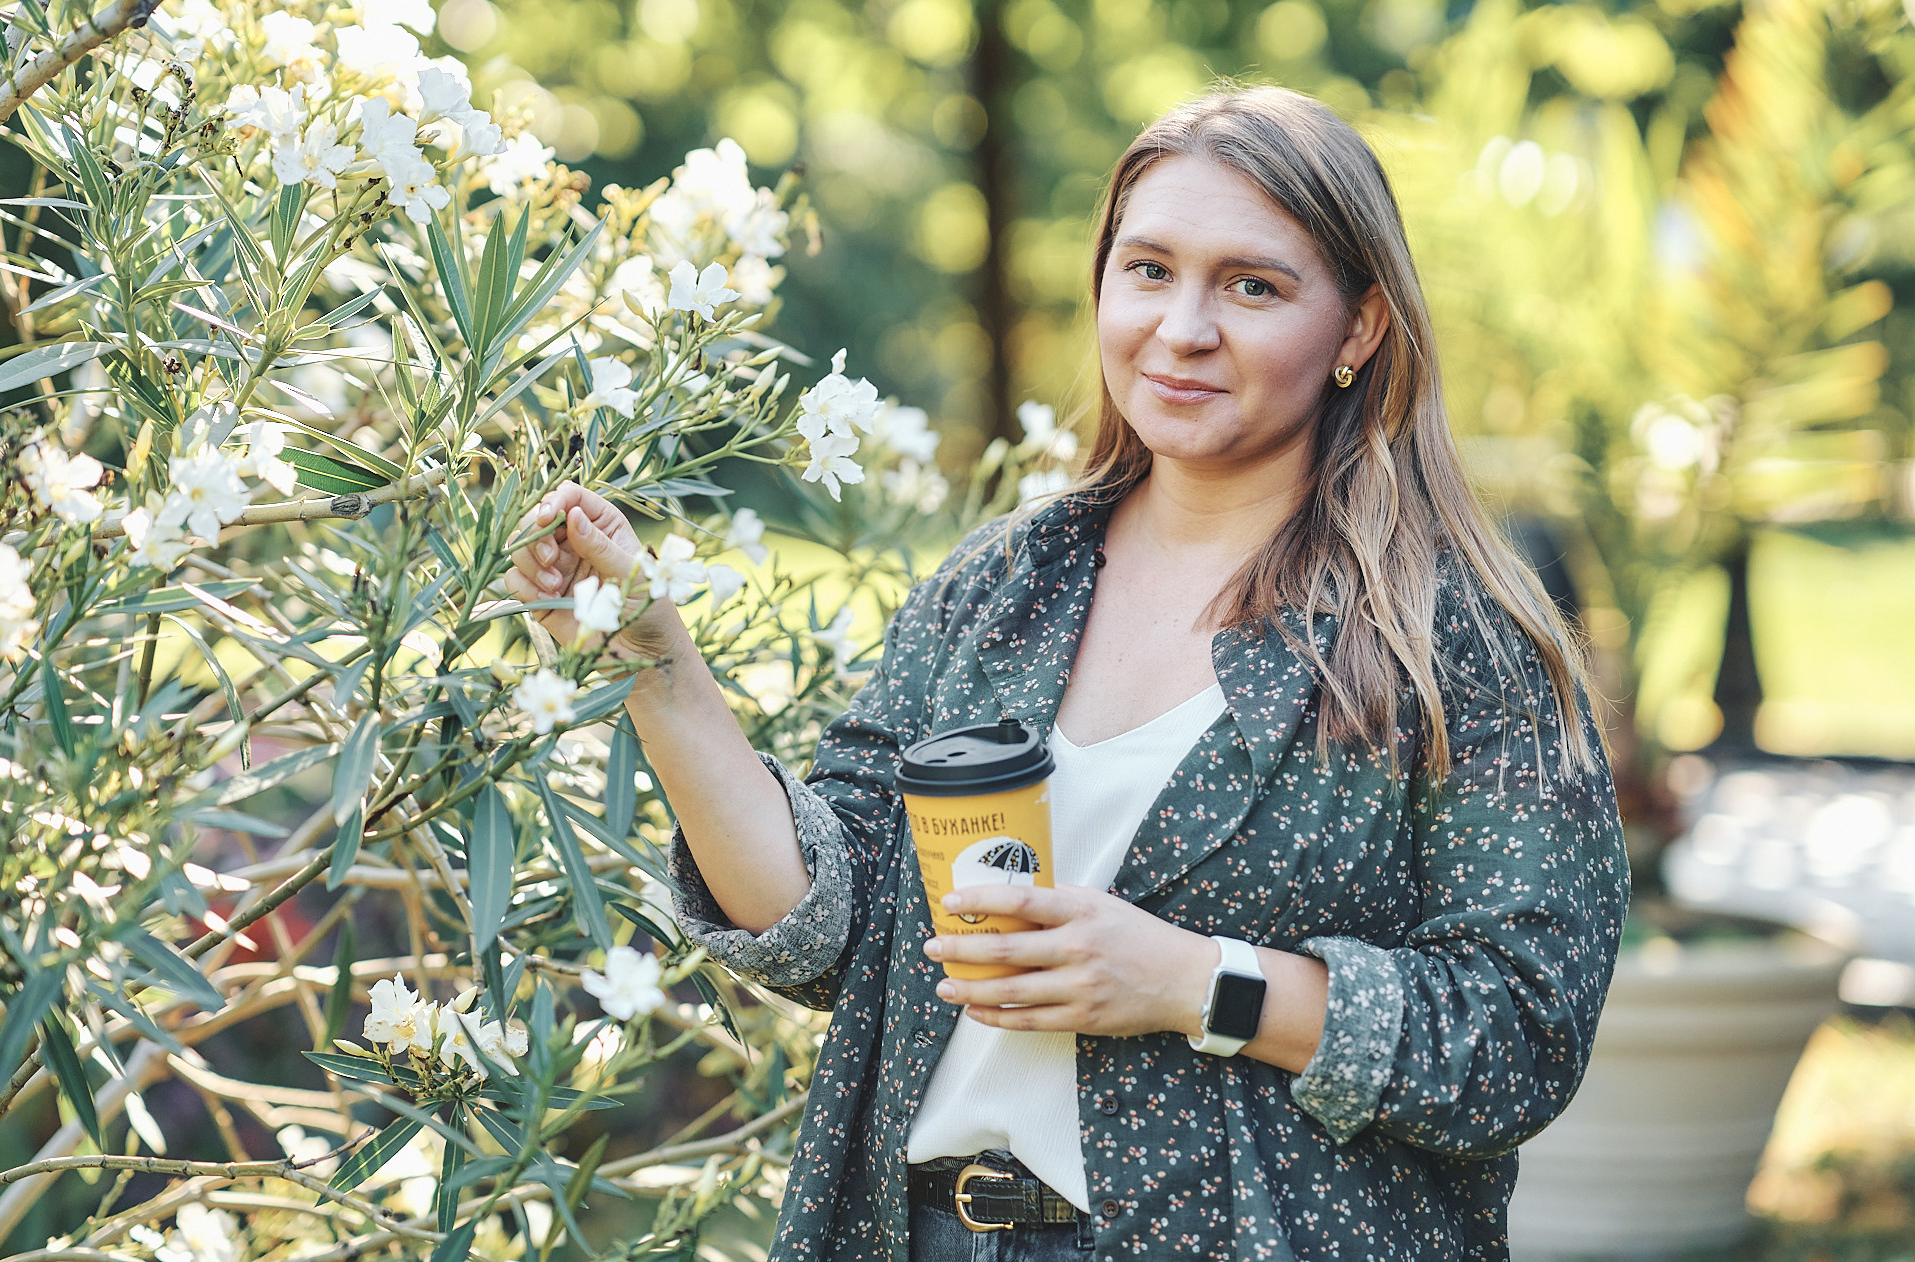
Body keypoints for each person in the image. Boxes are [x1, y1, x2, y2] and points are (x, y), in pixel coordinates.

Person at [503, 85, 1629, 1262]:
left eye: (1251, 285)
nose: (1181, 328)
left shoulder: (1452, 640)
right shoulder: (1002, 586)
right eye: (1147, 269)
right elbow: (826, 926)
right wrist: (651, 655)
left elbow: (1517, 1037)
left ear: (1357, 330)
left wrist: (1197, 982)